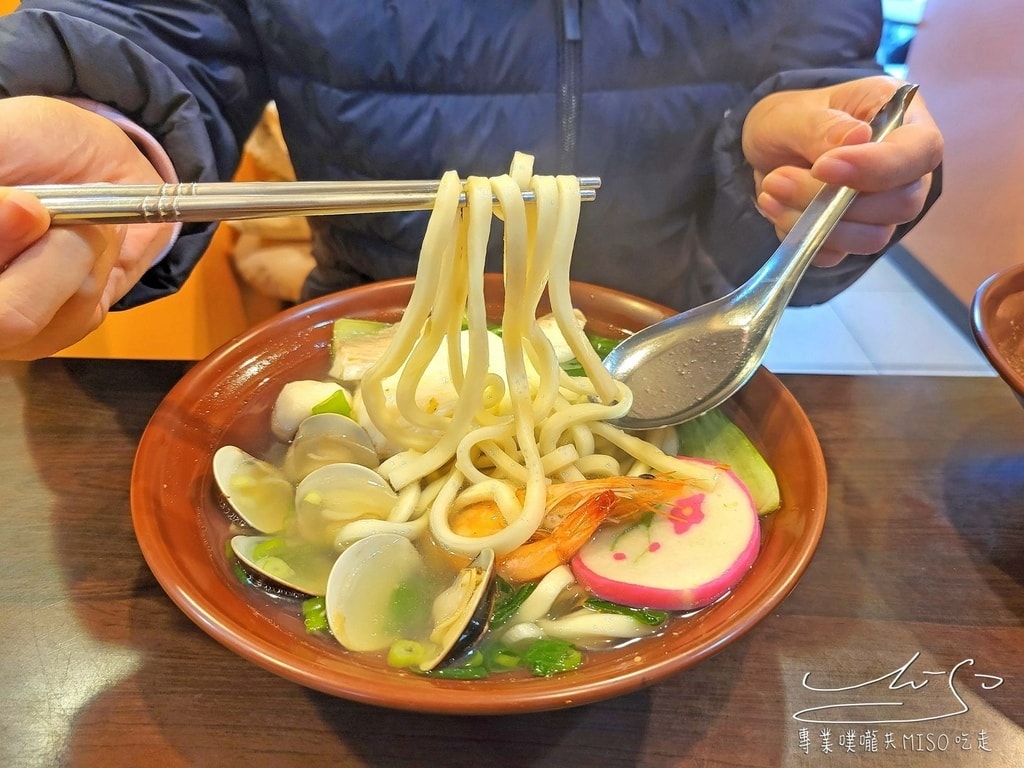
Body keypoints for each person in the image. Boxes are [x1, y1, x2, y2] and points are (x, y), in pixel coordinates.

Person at [0, 1, 943, 361]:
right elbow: (167, 32)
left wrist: (808, 179)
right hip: (377, 336)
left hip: (666, 347)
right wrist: (104, 126)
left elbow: (811, 75)